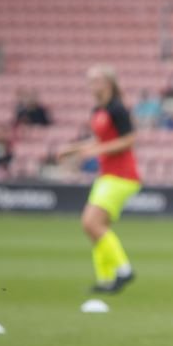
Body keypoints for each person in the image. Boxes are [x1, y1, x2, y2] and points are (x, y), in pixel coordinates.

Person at [58, 65, 139, 293]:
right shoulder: (98, 110)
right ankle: (106, 279)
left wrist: (99, 149)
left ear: (108, 83)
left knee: (90, 223)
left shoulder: (117, 109)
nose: (91, 85)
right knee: (96, 228)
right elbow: (98, 139)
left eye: (96, 80)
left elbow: (129, 140)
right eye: (89, 80)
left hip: (122, 175)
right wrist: (72, 149)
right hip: (108, 175)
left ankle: (124, 270)